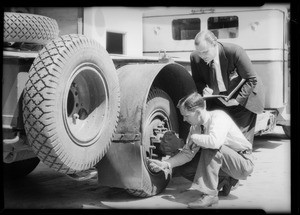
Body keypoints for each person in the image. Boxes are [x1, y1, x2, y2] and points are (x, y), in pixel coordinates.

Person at [149, 92, 254, 208]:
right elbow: (187, 154)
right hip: (227, 164)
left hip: (243, 163)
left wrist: (195, 138)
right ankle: (225, 180)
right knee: (185, 168)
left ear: (198, 112)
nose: (184, 119)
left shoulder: (218, 117)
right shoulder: (195, 127)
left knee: (211, 147)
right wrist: (166, 164)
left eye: (187, 115)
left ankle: (210, 196)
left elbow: (215, 142)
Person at [190, 30, 265, 144]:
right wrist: (204, 90)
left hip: (242, 100)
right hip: (218, 101)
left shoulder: (234, 51)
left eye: (205, 52)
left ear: (214, 44)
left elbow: (251, 79)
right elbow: (198, 81)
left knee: (241, 142)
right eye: (199, 52)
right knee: (220, 139)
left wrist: (237, 100)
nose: (202, 56)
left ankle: (245, 159)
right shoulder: (195, 57)